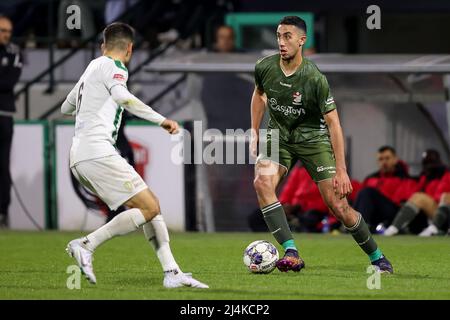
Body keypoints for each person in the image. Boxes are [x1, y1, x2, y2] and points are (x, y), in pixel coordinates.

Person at [63, 22, 208, 289]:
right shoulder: (115, 68)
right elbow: (123, 97)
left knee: (150, 205)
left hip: (79, 156)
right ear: (130, 48)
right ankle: (86, 244)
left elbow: (66, 106)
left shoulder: (92, 67)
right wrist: (161, 120)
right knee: (149, 207)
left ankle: (172, 272)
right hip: (97, 151)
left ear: (103, 45)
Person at [250, 16, 393, 273]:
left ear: (302, 40)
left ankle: (377, 256)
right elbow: (259, 94)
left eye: (288, 36)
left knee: (338, 206)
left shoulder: (315, 78)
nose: (281, 42)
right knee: (262, 182)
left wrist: (341, 169)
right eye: (279, 36)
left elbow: (333, 123)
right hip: (278, 136)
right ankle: (291, 251)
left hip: (313, 140)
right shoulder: (264, 67)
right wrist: (254, 130)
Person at [384, 149, 450, 236]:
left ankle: (433, 229)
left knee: (446, 196)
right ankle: (395, 227)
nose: (429, 166)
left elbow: (442, 195)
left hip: (445, 212)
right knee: (417, 197)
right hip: (434, 214)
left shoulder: (446, 174)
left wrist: (429, 199)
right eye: (426, 163)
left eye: (431, 162)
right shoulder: (424, 177)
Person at [353, 146, 410, 233]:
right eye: (381, 159)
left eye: (387, 158)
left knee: (367, 192)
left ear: (395, 159)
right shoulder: (370, 178)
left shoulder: (404, 178)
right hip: (373, 214)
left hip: (393, 213)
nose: (384, 162)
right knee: (361, 193)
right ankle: (354, 225)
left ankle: (359, 228)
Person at [0, 15, 22, 229]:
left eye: (8, 31)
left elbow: (8, 83)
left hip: (4, 115)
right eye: (2, 30)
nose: (6, 35)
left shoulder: (14, 53)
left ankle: (3, 212)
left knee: (2, 165)